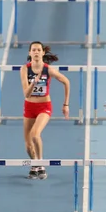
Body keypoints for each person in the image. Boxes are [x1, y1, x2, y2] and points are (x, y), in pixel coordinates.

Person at [20, 41, 70, 180]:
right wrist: (34, 83)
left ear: (42, 53)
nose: (36, 52)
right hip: (29, 107)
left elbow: (66, 82)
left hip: (44, 107)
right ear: (30, 53)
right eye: (33, 50)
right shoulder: (24, 69)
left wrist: (66, 104)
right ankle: (34, 164)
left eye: (38, 50)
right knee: (28, 145)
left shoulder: (48, 70)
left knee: (35, 134)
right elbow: (26, 93)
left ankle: (40, 164)